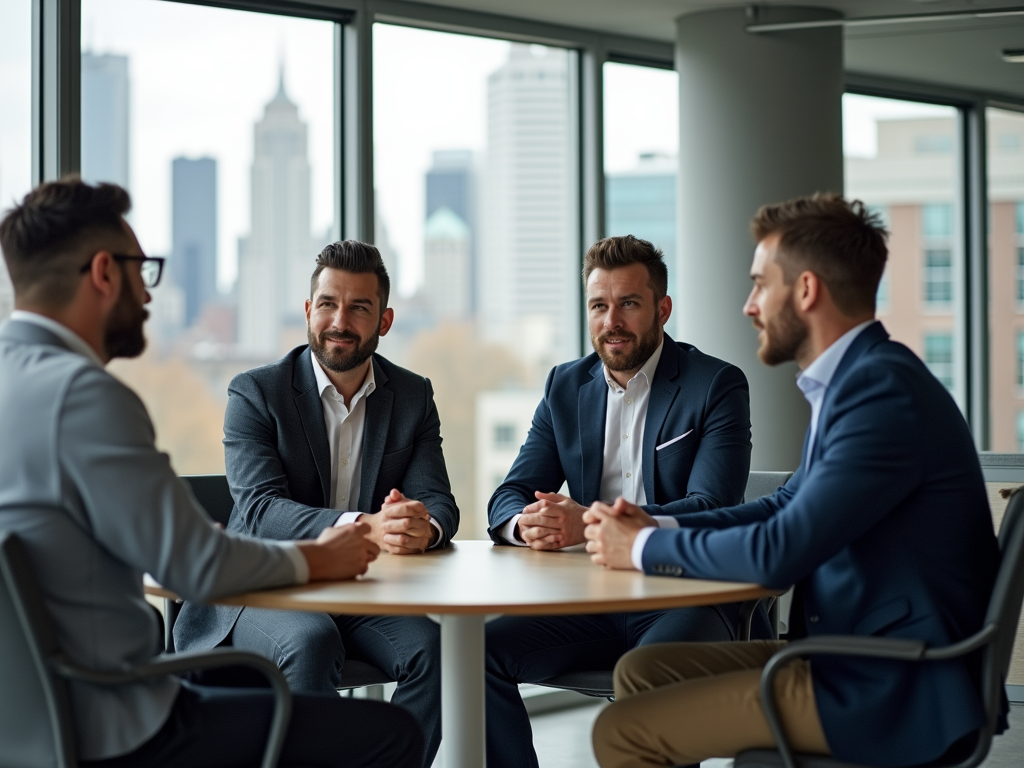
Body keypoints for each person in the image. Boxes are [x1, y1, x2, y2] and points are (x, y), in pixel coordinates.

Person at [0, 177, 422, 768]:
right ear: (103, 272)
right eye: (141, 272)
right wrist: (319, 557)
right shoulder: (84, 397)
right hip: (124, 725)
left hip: (28, 729)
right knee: (390, 732)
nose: (147, 298)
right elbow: (195, 564)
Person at [584, 194, 1003, 768]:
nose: (749, 306)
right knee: (644, 670)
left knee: (621, 732)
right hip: (855, 657)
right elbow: (785, 504)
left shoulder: (880, 393)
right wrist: (655, 522)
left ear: (805, 291)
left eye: (760, 284)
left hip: (894, 681)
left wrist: (643, 547)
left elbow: (779, 553)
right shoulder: (857, 382)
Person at [485, 235, 768, 768]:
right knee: (475, 653)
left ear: (662, 308)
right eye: (599, 305)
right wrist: (527, 526)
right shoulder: (565, 386)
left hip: (686, 596)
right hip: (589, 601)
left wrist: (586, 524)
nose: (611, 320)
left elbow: (712, 506)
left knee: (652, 678)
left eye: (629, 304)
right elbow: (508, 495)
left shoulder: (715, 385)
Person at [174, 240, 458, 767]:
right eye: (327, 303)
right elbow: (259, 510)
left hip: (359, 595)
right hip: (260, 590)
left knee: (438, 651)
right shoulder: (255, 393)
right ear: (308, 310)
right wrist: (365, 528)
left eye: (359, 308)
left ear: (386, 320)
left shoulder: (412, 395)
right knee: (311, 640)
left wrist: (423, 527)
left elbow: (438, 501)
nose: (339, 321)